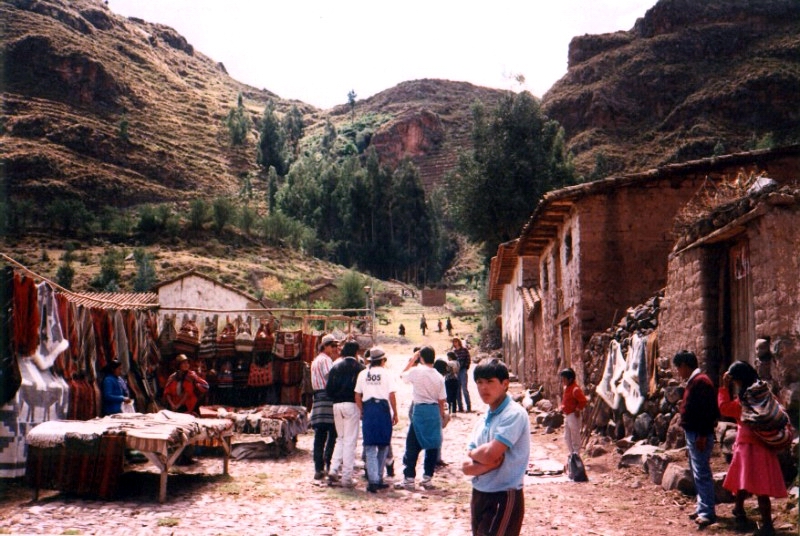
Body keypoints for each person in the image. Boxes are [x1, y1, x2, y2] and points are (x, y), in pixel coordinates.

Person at [462, 359, 530, 536]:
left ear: (505, 384)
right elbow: (465, 467)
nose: (484, 388)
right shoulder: (484, 418)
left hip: (503, 495)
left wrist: (482, 460)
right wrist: (483, 461)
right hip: (480, 493)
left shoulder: (514, 414)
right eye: (480, 382)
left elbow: (491, 454)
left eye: (490, 382)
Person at [718, 361, 787, 535]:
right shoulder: (766, 395)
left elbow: (724, 408)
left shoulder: (743, 402)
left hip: (747, 448)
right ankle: (742, 512)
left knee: (746, 482)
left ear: (738, 380)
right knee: (754, 484)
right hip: (764, 446)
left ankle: (764, 525)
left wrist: (723, 388)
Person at [673, 350, 720, 528]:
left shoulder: (701, 382)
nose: (678, 371)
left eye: (679, 367)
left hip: (699, 434)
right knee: (696, 472)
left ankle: (707, 512)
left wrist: (702, 434)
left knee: (702, 473)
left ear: (685, 365)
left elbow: (708, 412)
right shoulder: (696, 381)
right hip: (693, 433)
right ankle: (702, 506)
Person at [397, 346, 446, 490]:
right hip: (433, 410)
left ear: (421, 357)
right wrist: (441, 415)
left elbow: (402, 375)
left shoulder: (416, 371)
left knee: (412, 444)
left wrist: (413, 359)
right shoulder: (438, 376)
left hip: (419, 409)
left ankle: (409, 478)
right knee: (432, 445)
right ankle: (427, 478)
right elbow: (441, 400)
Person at [355, 347, 399, 493]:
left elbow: (357, 395)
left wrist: (362, 410)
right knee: (383, 445)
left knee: (370, 446)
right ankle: (378, 478)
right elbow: (391, 395)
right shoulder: (387, 374)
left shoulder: (363, 374)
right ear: (382, 360)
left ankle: (373, 479)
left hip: (369, 408)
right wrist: (395, 413)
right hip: (382, 409)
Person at [325, 340, 365, 488]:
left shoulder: (336, 366)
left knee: (340, 439)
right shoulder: (360, 368)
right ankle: (347, 477)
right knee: (350, 441)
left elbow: (328, 389)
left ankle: (333, 469)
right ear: (356, 352)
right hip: (352, 404)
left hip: (337, 404)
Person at [310, 333, 340, 480]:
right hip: (328, 397)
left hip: (317, 398)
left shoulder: (315, 361)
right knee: (332, 433)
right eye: (332, 346)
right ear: (326, 346)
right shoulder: (326, 360)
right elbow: (331, 378)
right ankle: (328, 464)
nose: (334, 349)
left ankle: (318, 468)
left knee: (319, 435)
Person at [559, 367, 587, 455]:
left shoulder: (575, 389)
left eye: (564, 379)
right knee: (567, 436)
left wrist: (578, 409)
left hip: (573, 416)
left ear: (570, 379)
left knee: (575, 435)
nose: (562, 381)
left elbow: (583, 400)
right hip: (567, 415)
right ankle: (572, 453)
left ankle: (576, 453)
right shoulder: (567, 388)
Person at [453, 337, 472, 412]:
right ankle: (460, 407)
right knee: (457, 390)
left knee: (464, 389)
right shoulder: (454, 352)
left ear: (459, 342)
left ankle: (468, 406)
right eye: (454, 342)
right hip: (456, 371)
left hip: (463, 370)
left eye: (456, 341)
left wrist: (466, 366)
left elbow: (468, 358)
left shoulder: (464, 350)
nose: (455, 343)